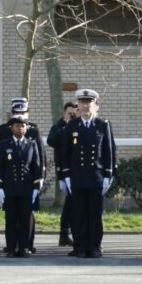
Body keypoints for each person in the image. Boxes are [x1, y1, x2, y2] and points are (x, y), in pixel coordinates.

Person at [59, 89, 116, 258]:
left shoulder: (102, 125)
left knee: (94, 215)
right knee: (78, 215)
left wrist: (108, 175)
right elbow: (65, 153)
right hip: (77, 178)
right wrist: (65, 176)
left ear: (95, 105)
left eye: (88, 103)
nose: (85, 106)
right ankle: (80, 246)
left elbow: (109, 151)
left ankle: (95, 246)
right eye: (82, 103)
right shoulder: (72, 125)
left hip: (96, 177)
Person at [0, 98, 45, 253]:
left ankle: (25, 245)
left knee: (27, 217)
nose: (21, 123)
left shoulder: (33, 134)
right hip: (10, 185)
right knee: (11, 218)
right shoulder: (4, 132)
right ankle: (11, 245)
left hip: (26, 185)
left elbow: (38, 158)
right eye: (17, 114)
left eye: (23, 114)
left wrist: (39, 180)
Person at [48, 101, 78, 248]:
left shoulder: (79, 126)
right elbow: (51, 141)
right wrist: (65, 126)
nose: (72, 116)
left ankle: (67, 234)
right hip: (65, 172)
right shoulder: (59, 126)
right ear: (64, 113)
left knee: (72, 205)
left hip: (78, 172)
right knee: (70, 205)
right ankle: (64, 234)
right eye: (69, 113)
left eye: (74, 113)